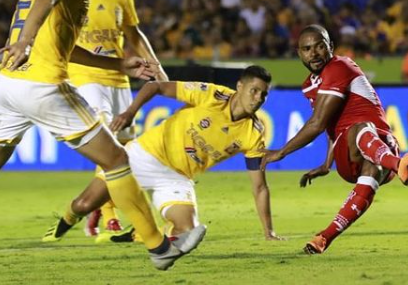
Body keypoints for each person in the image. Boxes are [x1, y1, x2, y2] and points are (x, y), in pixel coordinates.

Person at [0, 0, 200, 271]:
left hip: (8, 82)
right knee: (118, 160)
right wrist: (25, 42)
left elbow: (62, 41)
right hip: (40, 84)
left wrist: (120, 64)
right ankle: (158, 247)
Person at [43, 65, 283, 243]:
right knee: (84, 204)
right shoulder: (211, 95)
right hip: (143, 155)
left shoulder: (253, 133)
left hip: (176, 177)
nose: (258, 99)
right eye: (254, 91)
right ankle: (63, 225)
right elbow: (155, 85)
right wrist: (130, 112)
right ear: (240, 87)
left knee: (189, 232)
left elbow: (260, 187)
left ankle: (145, 235)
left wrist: (268, 231)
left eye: (263, 94)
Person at [42, 0, 169, 244]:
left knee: (126, 149)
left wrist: (156, 66)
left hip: (119, 79)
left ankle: (91, 211)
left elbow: (134, 35)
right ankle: (111, 217)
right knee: (109, 144)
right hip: (86, 78)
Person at [261, 25, 408, 254]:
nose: (314, 53)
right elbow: (327, 124)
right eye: (307, 49)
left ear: (331, 47)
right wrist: (327, 165)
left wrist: (280, 152)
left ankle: (323, 238)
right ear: (299, 53)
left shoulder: (339, 66)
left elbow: (316, 123)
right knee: (362, 129)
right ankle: (399, 165)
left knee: (370, 169)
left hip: (381, 144)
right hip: (354, 151)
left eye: (319, 46)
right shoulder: (309, 86)